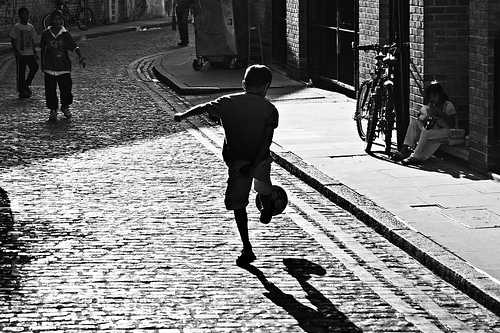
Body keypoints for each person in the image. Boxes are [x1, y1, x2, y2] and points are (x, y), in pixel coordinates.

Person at [174, 65, 279, 266]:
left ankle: (247, 247)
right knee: (263, 185)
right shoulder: (270, 110)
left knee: (239, 205)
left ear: (243, 84)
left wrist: (183, 116)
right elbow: (266, 141)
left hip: (238, 162)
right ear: (267, 87)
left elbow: (203, 107)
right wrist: (255, 163)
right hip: (261, 161)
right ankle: (267, 208)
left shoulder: (227, 102)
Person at [392, 81, 458, 165]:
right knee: (414, 124)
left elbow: (452, 124)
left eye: (434, 96)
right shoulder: (432, 106)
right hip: (437, 128)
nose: (432, 99)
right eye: (430, 97)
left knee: (426, 132)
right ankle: (403, 150)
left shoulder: (447, 105)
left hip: (448, 131)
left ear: (440, 95)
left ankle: (416, 156)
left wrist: (440, 112)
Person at [40, 10, 86, 122]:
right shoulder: (46, 34)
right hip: (50, 67)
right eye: (55, 19)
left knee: (66, 89)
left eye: (59, 19)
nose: (57, 22)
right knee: (50, 90)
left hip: (64, 67)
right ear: (51, 20)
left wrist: (81, 58)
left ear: (62, 20)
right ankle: (53, 109)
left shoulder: (65, 34)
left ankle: (65, 106)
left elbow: (74, 46)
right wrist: (42, 63)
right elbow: (43, 49)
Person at [9, 7, 39, 99]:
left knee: (35, 67)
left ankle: (26, 84)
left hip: (29, 52)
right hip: (21, 54)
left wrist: (35, 51)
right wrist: (17, 53)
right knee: (21, 72)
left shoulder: (30, 27)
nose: (25, 16)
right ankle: (22, 91)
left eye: (26, 14)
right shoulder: (17, 27)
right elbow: (13, 40)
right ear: (20, 16)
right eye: (23, 15)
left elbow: (32, 40)